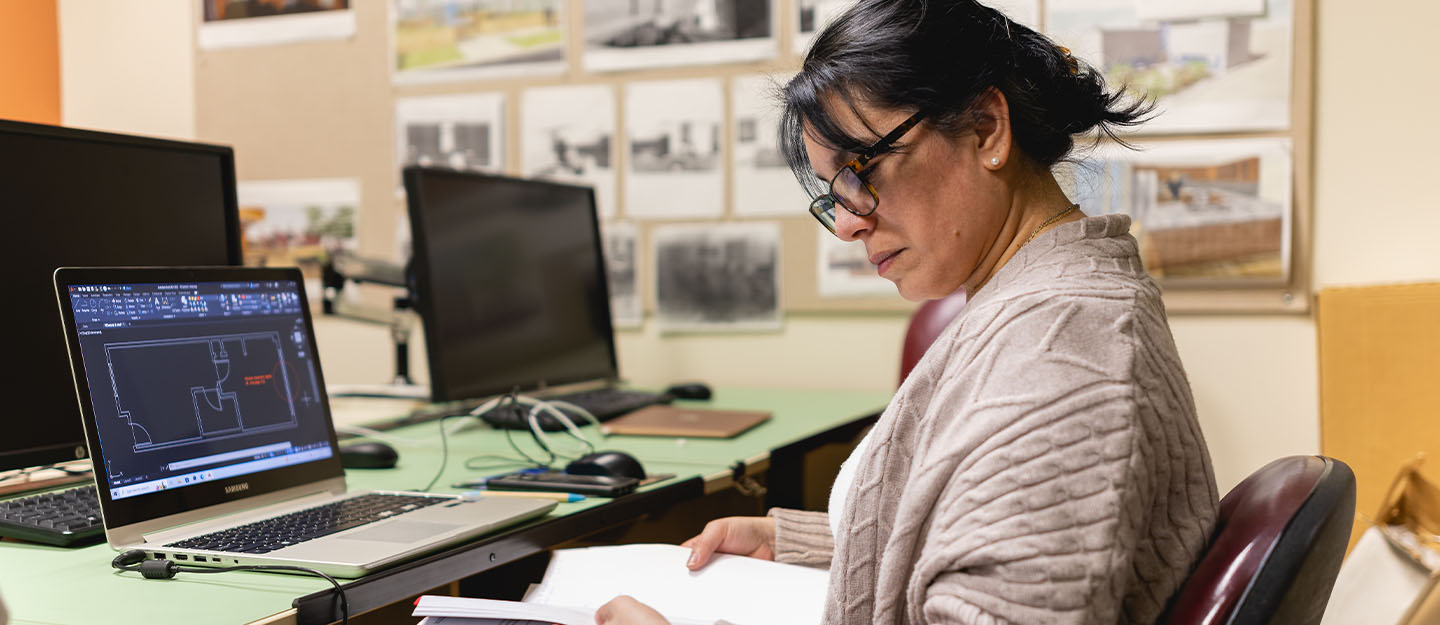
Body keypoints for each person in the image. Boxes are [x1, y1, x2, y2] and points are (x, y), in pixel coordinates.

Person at [596, 1, 1218, 624]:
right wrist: (809, 546)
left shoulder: (1060, 354)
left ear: (985, 129)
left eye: (860, 169)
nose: (845, 223)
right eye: (831, 190)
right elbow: (982, 527)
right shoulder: (1038, 306)